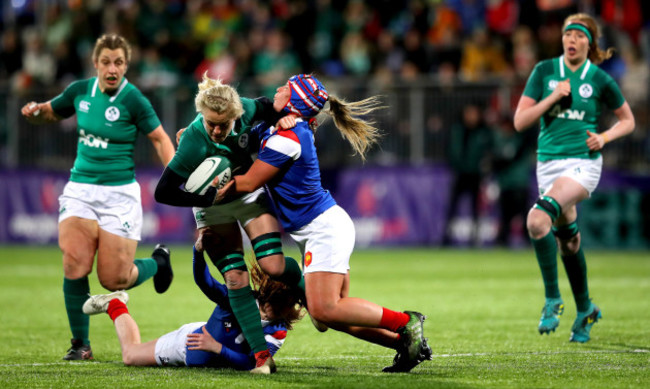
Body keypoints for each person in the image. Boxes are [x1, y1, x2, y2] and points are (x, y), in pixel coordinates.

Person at [216, 74, 432, 373]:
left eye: (286, 88)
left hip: (324, 229)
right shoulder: (283, 129)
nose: (278, 89)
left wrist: (212, 188)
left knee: (325, 309)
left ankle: (407, 323)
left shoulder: (288, 138)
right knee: (328, 317)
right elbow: (242, 139)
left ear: (294, 102)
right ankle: (404, 343)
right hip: (322, 228)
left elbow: (250, 181)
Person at [20, 33, 176, 360]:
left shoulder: (134, 100)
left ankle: (158, 262)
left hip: (119, 194)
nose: (112, 68)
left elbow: (160, 139)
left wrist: (178, 177)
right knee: (74, 261)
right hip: (80, 189)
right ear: (95, 63)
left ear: (126, 65)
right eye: (106, 61)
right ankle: (81, 345)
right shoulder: (80, 92)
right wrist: (36, 111)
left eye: (119, 62)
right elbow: (53, 111)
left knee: (113, 278)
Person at [154, 73, 304, 374]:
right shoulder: (193, 141)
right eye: (211, 123)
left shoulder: (246, 108)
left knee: (273, 265)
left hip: (247, 192)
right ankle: (262, 358)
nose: (218, 130)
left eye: (224, 124)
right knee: (236, 278)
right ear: (201, 115)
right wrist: (207, 198)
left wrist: (281, 118)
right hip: (214, 205)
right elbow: (164, 191)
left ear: (236, 114)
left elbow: (266, 106)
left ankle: (307, 293)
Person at [513, 13, 635, 342]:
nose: (571, 39)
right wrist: (552, 97)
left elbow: (628, 120)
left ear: (589, 43)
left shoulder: (598, 78)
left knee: (538, 220)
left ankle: (552, 299)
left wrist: (605, 138)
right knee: (569, 241)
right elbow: (520, 121)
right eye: (568, 34)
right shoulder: (545, 72)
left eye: (579, 35)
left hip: (583, 163)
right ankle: (586, 310)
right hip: (548, 165)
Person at [81, 229, 304, 369]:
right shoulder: (238, 298)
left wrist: (217, 348)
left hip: (208, 343)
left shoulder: (278, 329)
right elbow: (205, 283)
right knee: (130, 356)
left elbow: (254, 362)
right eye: (279, 305)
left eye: (287, 306)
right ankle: (115, 304)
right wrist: (198, 252)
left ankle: (116, 303)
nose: (281, 311)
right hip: (186, 345)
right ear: (267, 298)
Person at [441, 103, 494, 247]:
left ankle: (474, 239)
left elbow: (489, 153)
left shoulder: (483, 132)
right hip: (459, 174)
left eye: (474, 113)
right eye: (468, 113)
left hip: (475, 175)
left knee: (475, 209)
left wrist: (483, 168)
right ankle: (446, 238)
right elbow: (450, 150)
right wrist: (456, 165)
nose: (471, 117)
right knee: (452, 207)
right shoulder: (457, 130)